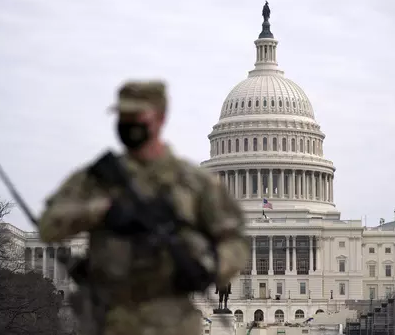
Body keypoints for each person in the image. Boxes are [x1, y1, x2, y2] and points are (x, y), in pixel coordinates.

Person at [38, 80, 249, 335]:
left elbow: (235, 243)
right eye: (123, 116)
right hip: (108, 320)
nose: (129, 123)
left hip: (173, 323)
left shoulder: (194, 183)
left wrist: (208, 267)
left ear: (160, 118)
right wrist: (100, 210)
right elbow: (48, 226)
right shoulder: (97, 178)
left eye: (137, 116)